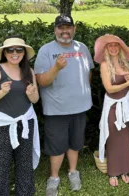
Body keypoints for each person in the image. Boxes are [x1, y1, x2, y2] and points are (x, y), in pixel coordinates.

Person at [34, 15, 94, 196]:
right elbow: (42, 81)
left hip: (80, 107)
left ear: (74, 29)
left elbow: (88, 73)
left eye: (68, 27)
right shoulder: (46, 50)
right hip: (56, 109)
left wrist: (81, 92)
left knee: (75, 143)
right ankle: (54, 178)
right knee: (57, 146)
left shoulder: (82, 48)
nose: (65, 31)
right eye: (61, 27)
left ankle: (73, 172)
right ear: (55, 30)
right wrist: (56, 68)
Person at [0, 37, 40, 196]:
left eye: (19, 49)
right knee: (0, 166)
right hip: (0, 125)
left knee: (25, 164)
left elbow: (35, 99)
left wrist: (31, 94)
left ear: (24, 52)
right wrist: (2, 92)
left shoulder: (29, 72)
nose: (14, 53)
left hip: (26, 122)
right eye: (10, 50)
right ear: (4, 52)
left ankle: (25, 193)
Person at [94, 34, 129, 187]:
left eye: (116, 45)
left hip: (125, 107)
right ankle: (113, 172)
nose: (113, 48)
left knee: (124, 138)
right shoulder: (105, 65)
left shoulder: (125, 64)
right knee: (112, 138)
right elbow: (109, 88)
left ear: (120, 48)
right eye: (110, 45)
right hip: (112, 107)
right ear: (106, 48)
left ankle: (125, 170)